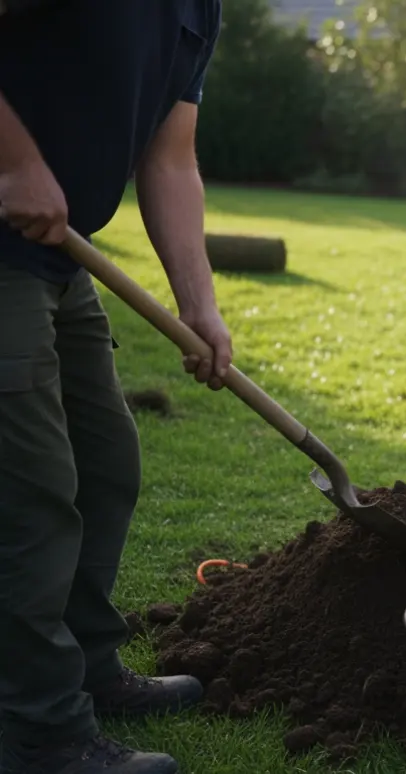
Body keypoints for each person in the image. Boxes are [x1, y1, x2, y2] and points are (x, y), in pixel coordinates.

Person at [0, 1, 231, 772]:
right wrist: (14, 158)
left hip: (58, 258)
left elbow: (170, 158)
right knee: (30, 496)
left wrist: (198, 305)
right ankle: (38, 730)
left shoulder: (199, 8)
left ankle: (88, 671)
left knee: (105, 464)